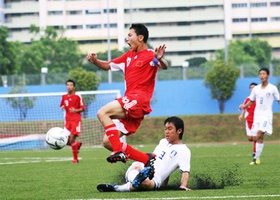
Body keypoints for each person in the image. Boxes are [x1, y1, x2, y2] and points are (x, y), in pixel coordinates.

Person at [86, 24, 168, 177]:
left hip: (137, 100)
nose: (127, 38)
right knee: (107, 142)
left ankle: (119, 151)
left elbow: (165, 66)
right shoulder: (128, 56)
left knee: (102, 112)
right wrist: (95, 61)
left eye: (130, 35)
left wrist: (160, 59)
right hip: (130, 102)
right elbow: (108, 65)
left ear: (140, 37)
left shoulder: (150, 55)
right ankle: (146, 158)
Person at [97, 116, 191, 192]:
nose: (166, 132)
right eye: (165, 129)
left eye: (170, 129)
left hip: (154, 179)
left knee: (145, 183)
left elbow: (185, 171)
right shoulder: (162, 141)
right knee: (137, 165)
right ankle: (137, 178)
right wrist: (164, 185)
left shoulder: (184, 151)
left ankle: (117, 187)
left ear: (179, 131)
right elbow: (162, 162)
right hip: (144, 167)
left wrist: (183, 186)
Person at [239, 68, 280, 165]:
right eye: (260, 74)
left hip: (266, 115)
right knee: (254, 138)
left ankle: (256, 158)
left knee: (259, 133)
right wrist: (244, 106)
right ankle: (257, 158)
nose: (261, 76)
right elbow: (251, 101)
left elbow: (278, 99)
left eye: (264, 74)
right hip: (257, 116)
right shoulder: (256, 89)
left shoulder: (272, 88)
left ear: (268, 76)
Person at [60, 79, 85, 164]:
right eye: (67, 85)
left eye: (71, 85)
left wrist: (76, 110)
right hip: (67, 121)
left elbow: (82, 108)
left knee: (71, 138)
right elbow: (62, 105)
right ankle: (77, 145)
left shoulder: (78, 96)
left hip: (76, 120)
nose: (69, 86)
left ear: (74, 87)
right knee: (66, 141)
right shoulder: (64, 97)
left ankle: (75, 159)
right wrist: (62, 107)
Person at [238, 82, 257, 158]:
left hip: (256, 120)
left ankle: (255, 152)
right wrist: (241, 115)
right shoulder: (247, 99)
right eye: (251, 87)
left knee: (255, 137)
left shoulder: (259, 98)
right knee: (250, 138)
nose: (252, 89)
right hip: (248, 119)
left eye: (254, 87)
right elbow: (245, 107)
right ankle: (257, 143)